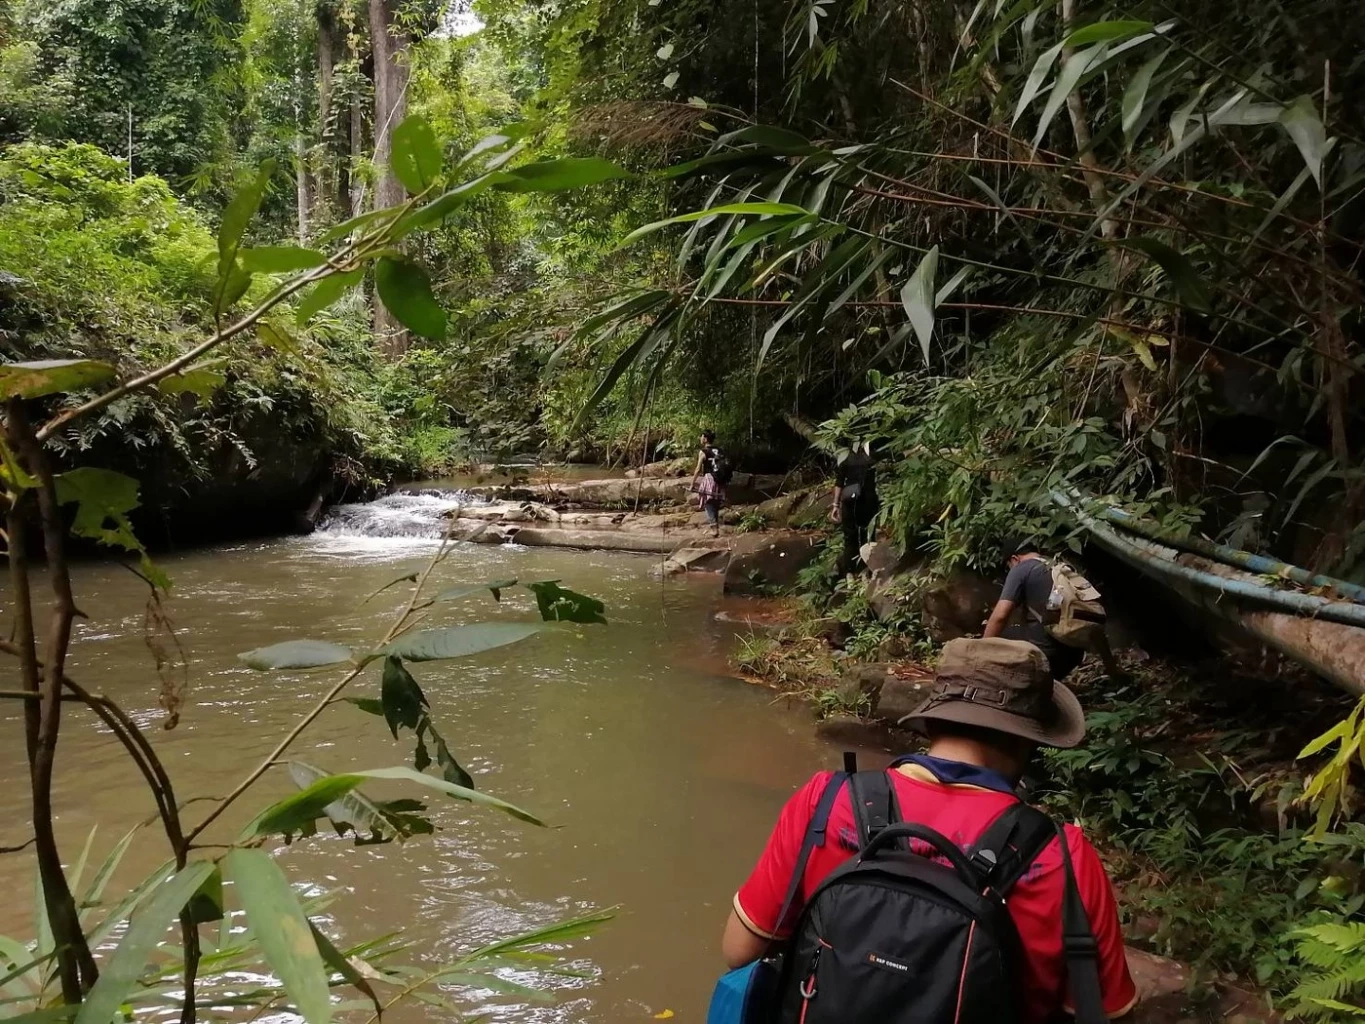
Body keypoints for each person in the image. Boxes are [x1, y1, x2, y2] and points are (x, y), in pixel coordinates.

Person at [721, 637, 1137, 1023]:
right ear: (1027, 741)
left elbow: (739, 950)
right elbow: (1103, 1011)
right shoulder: (1064, 858)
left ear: (935, 719)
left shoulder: (826, 802)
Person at [983, 540, 1122, 681]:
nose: (1010, 570)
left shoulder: (1022, 568)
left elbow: (1000, 616)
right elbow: (1092, 620)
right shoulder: (1061, 567)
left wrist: (980, 650)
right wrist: (1112, 669)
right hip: (1073, 655)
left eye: (1009, 567)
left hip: (1044, 654)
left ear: (1014, 559)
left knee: (1003, 635)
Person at [831, 445, 878, 575]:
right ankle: (865, 571)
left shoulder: (846, 457)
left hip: (849, 500)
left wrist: (835, 505)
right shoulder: (873, 456)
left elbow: (839, 481)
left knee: (850, 537)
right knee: (867, 536)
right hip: (868, 501)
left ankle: (850, 573)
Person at [690, 429, 727, 537]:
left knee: (708, 502)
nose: (700, 439)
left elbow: (698, 469)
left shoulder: (704, 451)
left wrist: (692, 483)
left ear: (705, 439)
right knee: (715, 502)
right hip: (720, 478)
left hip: (710, 478)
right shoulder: (720, 450)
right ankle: (715, 527)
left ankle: (714, 529)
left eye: (701, 437)